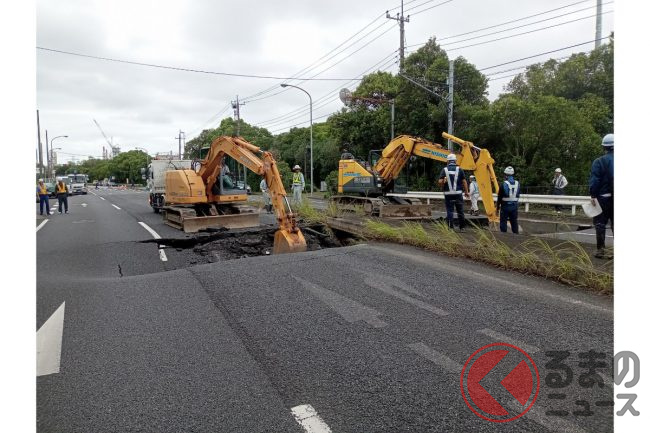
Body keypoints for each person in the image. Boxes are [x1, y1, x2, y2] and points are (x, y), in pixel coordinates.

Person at [589, 133, 614, 259]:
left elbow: (595, 181)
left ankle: (601, 250)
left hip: (603, 197)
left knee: (600, 223)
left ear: (604, 147)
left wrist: (593, 195)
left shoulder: (599, 162)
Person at [437, 154, 469, 230]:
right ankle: (462, 227)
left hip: (448, 194)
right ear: (455, 161)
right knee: (460, 210)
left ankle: (450, 227)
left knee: (450, 210)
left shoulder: (444, 169)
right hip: (458, 193)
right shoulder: (460, 169)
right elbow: (464, 182)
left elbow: (440, 182)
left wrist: (444, 181)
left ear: (448, 161)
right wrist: (466, 192)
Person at [496, 166, 521, 234]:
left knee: (503, 222)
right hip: (514, 206)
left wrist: (497, 208)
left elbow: (499, 197)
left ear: (506, 175)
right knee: (514, 222)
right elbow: (518, 195)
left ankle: (504, 237)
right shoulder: (518, 184)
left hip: (505, 207)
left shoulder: (503, 184)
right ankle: (516, 236)